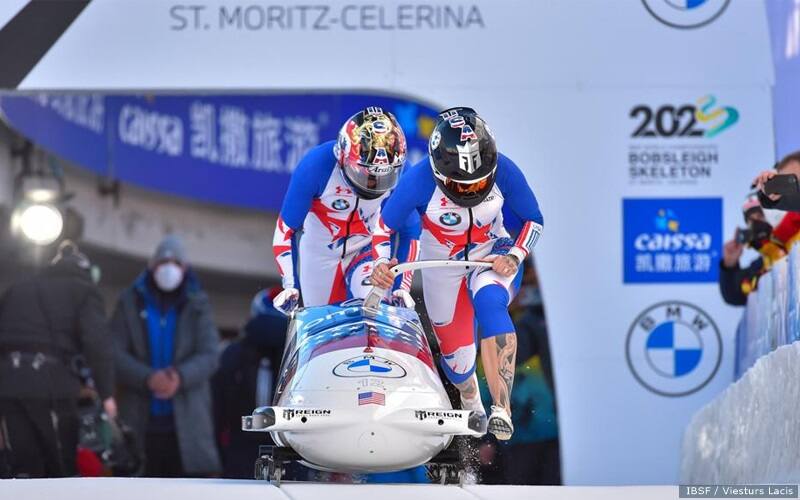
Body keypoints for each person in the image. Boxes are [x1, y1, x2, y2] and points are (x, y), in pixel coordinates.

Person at [371, 107, 544, 440]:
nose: (469, 191)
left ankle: (501, 408)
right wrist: (381, 262)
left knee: (491, 301)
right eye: (460, 185)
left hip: (490, 254)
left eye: (479, 182)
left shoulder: (505, 169)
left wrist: (515, 254)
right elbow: (383, 227)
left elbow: (534, 220)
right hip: (442, 265)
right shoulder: (418, 181)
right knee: (459, 361)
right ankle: (470, 396)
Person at [271, 107, 420, 313]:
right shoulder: (316, 166)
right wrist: (290, 285)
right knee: (324, 326)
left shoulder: (405, 174)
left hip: (367, 248)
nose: (373, 184)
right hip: (319, 254)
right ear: (343, 157)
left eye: (383, 177)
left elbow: (410, 231)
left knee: (371, 312)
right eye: (365, 174)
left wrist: (401, 288)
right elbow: (286, 228)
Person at [0, 240, 116, 478]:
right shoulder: (85, 290)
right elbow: (97, 344)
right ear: (86, 272)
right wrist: (106, 394)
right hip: (53, 387)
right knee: (60, 470)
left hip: (8, 385)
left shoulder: (17, 288)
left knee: (22, 470)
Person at [111, 235, 221, 477]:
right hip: (139, 423)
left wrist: (179, 377)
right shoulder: (129, 302)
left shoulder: (198, 305)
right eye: (162, 262)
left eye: (175, 262)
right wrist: (147, 378)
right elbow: (113, 352)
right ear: (151, 266)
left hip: (187, 427)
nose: (168, 268)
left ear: (185, 268)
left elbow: (210, 354)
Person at [213, 288, 288, 479]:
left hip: (240, 445)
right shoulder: (299, 354)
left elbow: (217, 409)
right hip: (285, 446)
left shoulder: (232, 353)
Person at [719, 194, 786, 306]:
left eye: (760, 216)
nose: (757, 224)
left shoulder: (795, 246)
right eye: (751, 220)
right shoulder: (760, 266)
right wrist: (729, 264)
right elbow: (733, 296)